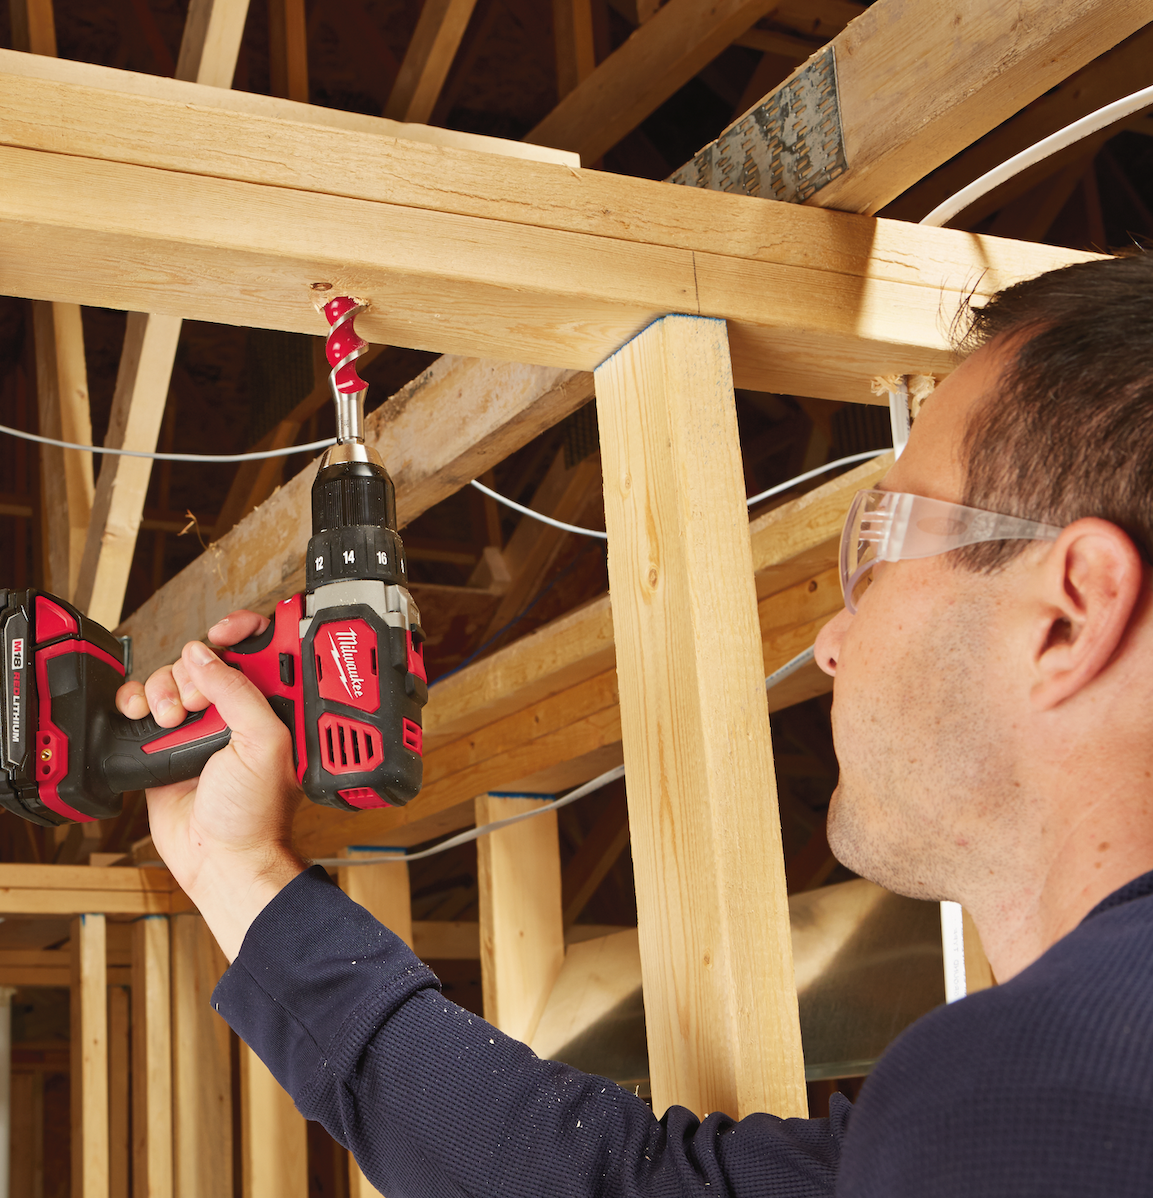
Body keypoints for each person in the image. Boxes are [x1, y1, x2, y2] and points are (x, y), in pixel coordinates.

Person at [114, 252, 1153, 1196]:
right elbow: (611, 1186)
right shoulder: (1036, 1121)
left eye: (879, 547)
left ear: (1073, 611)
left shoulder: (1036, 1099)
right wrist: (238, 870)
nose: (832, 641)